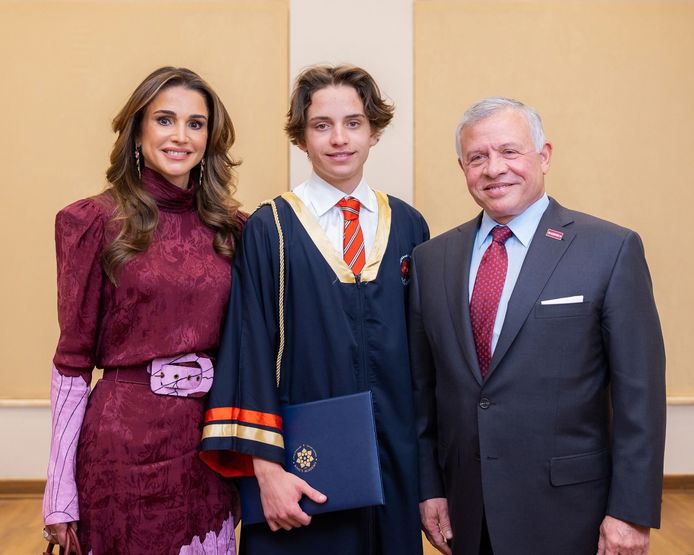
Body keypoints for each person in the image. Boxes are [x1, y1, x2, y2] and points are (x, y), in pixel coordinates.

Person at [409, 97, 666, 555]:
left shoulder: (610, 250)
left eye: (510, 152)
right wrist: (431, 488)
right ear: (462, 167)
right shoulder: (432, 261)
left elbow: (639, 395)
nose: (494, 169)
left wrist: (630, 512)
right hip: (470, 511)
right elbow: (424, 392)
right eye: (477, 157)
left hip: (572, 512)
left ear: (544, 156)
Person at [201, 64, 429, 554]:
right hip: (301, 468)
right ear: (301, 139)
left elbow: (425, 362)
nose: (338, 139)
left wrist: (431, 480)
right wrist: (267, 469)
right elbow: (249, 351)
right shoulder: (270, 229)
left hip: (395, 465)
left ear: (374, 132)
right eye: (321, 125)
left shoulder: (409, 226)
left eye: (353, 123)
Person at [42, 66, 244, 554]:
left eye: (196, 124)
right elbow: (71, 363)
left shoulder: (235, 229)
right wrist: (57, 491)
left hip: (209, 443)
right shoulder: (91, 221)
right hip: (120, 447)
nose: (181, 136)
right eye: (165, 120)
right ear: (137, 130)